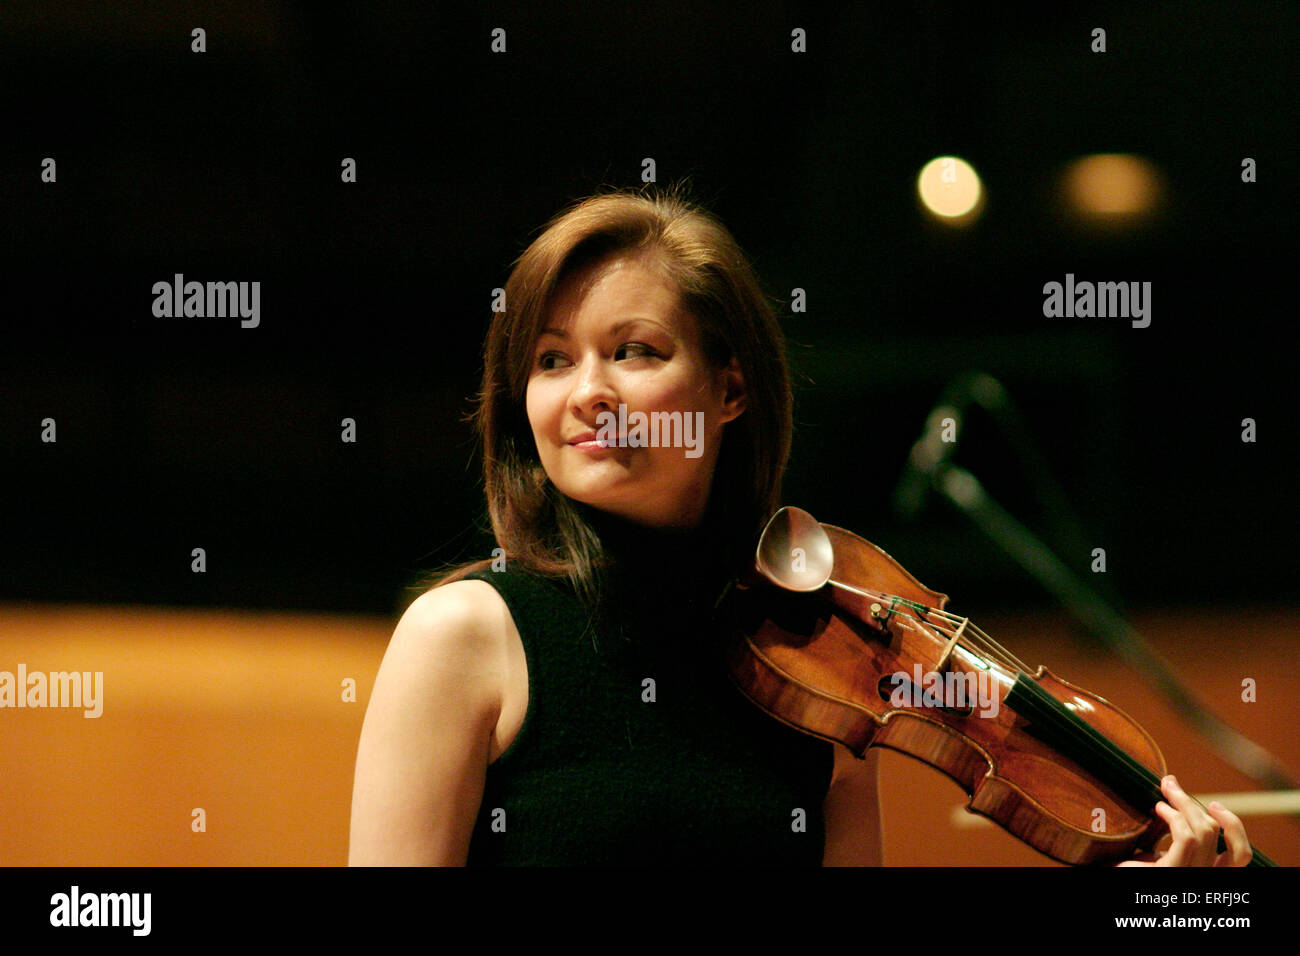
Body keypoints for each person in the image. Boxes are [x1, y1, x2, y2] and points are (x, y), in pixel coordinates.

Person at [348, 185, 1253, 867]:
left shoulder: (823, 663)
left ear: (730, 389)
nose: (589, 392)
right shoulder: (463, 637)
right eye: (551, 359)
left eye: (634, 351)